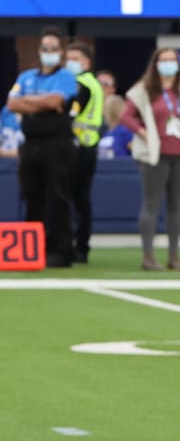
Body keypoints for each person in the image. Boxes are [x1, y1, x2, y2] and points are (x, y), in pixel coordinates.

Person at [121, 47, 180, 271]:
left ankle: (174, 256)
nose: (168, 65)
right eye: (163, 60)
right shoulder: (143, 90)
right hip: (154, 154)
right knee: (152, 204)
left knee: (176, 205)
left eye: (172, 60)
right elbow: (125, 116)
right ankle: (148, 256)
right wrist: (143, 132)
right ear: (155, 64)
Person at [6, 27, 80, 268]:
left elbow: (56, 100)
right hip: (31, 144)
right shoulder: (26, 77)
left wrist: (31, 102)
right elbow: (12, 103)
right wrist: (41, 103)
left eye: (54, 49)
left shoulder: (67, 77)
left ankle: (61, 250)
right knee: (31, 194)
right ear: (39, 51)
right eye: (45, 48)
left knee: (57, 195)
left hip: (57, 144)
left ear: (61, 52)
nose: (49, 52)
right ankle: (33, 248)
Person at [64, 42, 104, 264]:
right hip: (89, 145)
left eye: (75, 58)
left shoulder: (81, 84)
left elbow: (71, 113)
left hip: (79, 148)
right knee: (82, 200)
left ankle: (78, 247)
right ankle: (82, 246)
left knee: (76, 199)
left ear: (86, 62)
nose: (70, 63)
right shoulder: (94, 83)